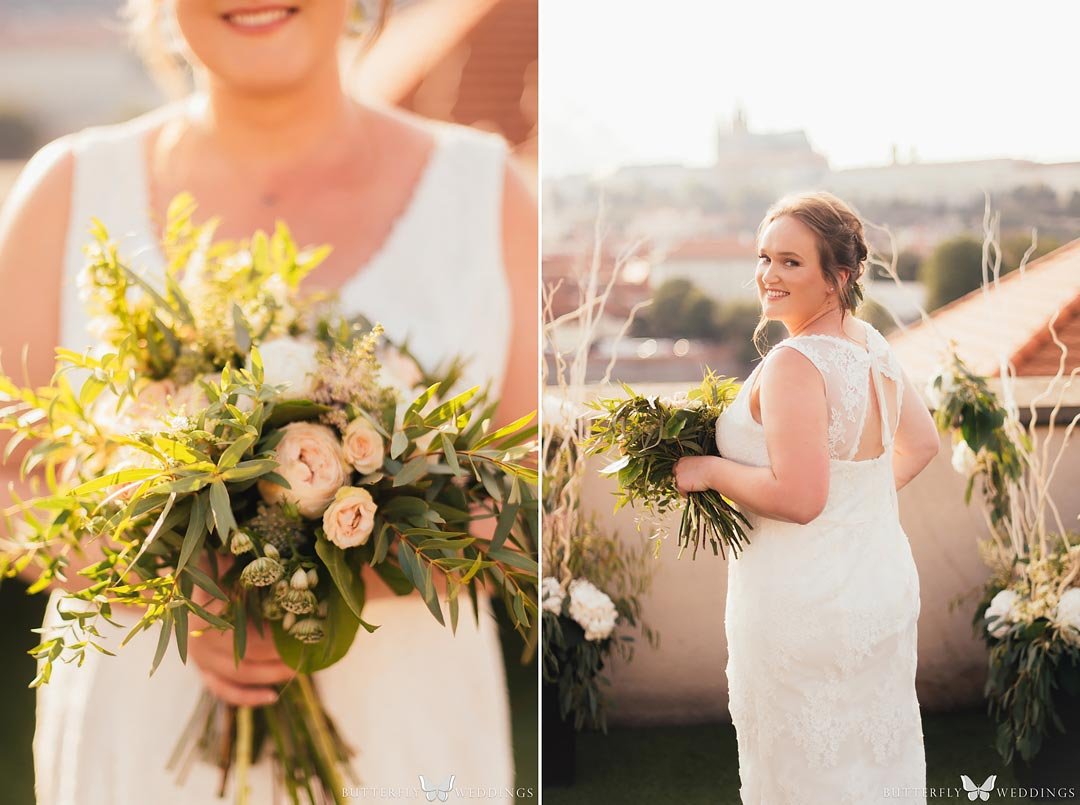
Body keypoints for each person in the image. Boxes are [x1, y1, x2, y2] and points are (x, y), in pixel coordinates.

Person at [0, 1, 537, 802]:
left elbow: (527, 496)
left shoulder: (490, 193)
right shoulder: (65, 190)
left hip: (409, 734)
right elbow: (13, 479)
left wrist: (315, 597)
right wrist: (181, 592)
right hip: (143, 728)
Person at [673, 191, 940, 803]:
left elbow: (798, 498)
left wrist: (709, 468)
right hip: (877, 588)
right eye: (765, 258)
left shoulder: (795, 362)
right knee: (874, 765)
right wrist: (854, 511)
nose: (769, 275)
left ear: (837, 277)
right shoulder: (869, 342)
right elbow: (919, 445)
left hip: (801, 604)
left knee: (804, 774)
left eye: (792, 262)